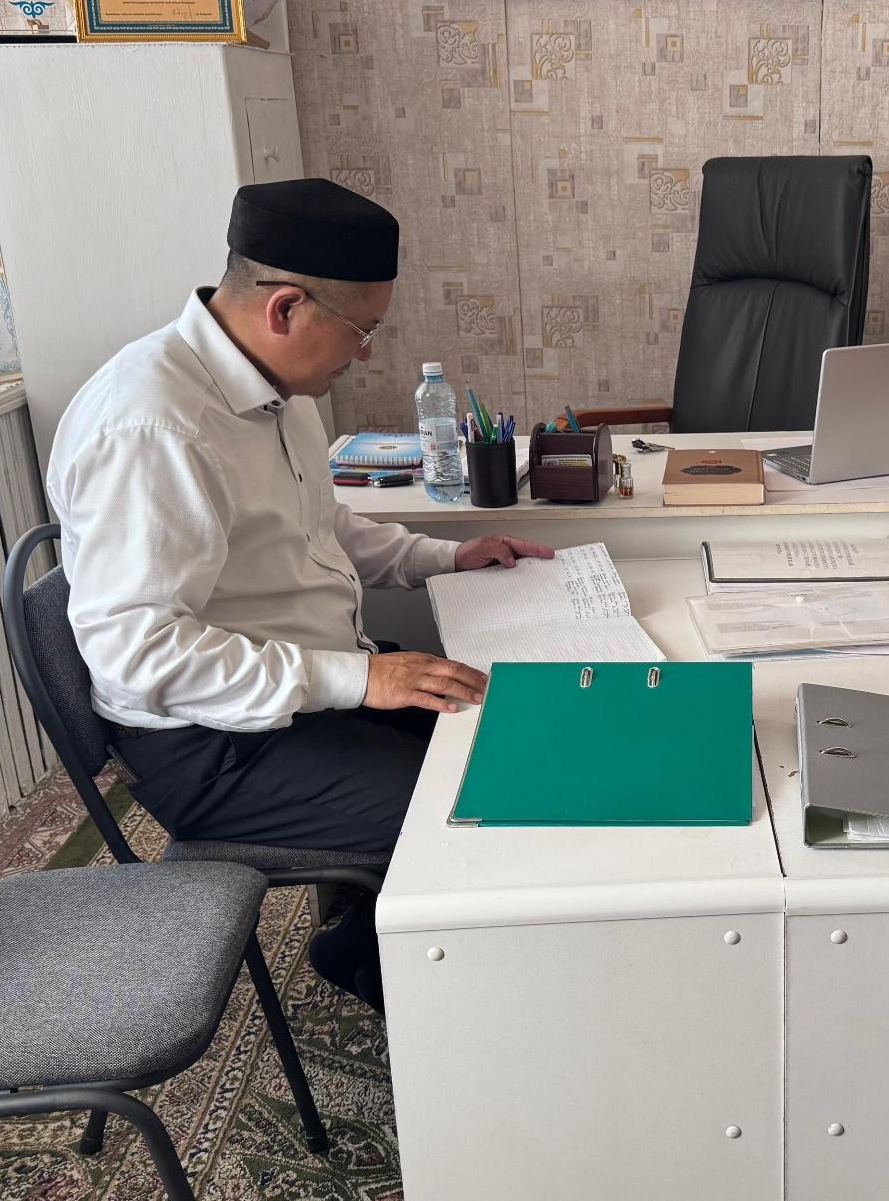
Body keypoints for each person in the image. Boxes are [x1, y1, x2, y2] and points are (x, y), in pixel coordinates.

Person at [48, 178, 553, 1007]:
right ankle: (427, 1000)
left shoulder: (273, 391)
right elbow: (135, 655)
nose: (366, 354)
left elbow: (319, 529)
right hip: (213, 747)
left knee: (515, 738)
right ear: (285, 308)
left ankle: (359, 949)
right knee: (481, 810)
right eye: (363, 331)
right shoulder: (152, 428)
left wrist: (444, 559)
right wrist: (360, 679)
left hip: (306, 690)